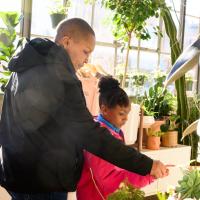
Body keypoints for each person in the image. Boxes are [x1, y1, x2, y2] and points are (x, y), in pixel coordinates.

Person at [0, 18, 168, 200]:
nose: (87, 60)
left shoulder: (22, 69)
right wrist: (147, 165)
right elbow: (90, 134)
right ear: (66, 42)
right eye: (85, 51)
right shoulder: (61, 78)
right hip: (43, 184)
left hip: (16, 176)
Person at [77, 76, 154, 200]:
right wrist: (148, 175)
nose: (126, 118)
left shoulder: (115, 132)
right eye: (121, 113)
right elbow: (109, 180)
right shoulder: (98, 137)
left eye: (127, 113)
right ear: (104, 109)